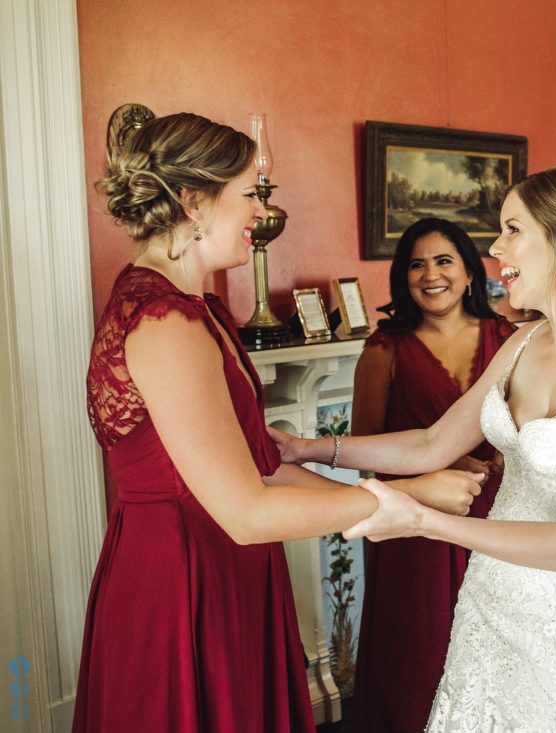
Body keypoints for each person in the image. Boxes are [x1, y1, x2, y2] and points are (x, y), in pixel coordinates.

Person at [74, 106, 481, 733]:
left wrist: (386, 498)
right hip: (183, 578)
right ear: (194, 203)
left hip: (223, 564)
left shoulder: (199, 307)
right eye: (246, 196)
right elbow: (246, 512)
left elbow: (264, 471)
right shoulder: (164, 323)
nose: (260, 215)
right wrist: (401, 501)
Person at [271, 166, 556, 732]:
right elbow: (433, 442)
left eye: (513, 229)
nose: (495, 247)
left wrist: (422, 521)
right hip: (489, 598)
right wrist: (307, 448)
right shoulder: (523, 341)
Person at [349, 217, 514, 732]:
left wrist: (510, 456)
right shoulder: (384, 350)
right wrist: (440, 464)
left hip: (501, 525)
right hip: (416, 532)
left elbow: (533, 425)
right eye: (417, 264)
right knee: (421, 659)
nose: (430, 274)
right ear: (404, 278)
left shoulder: (508, 339)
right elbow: (365, 452)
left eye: (444, 260)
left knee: (499, 655)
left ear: (469, 272)